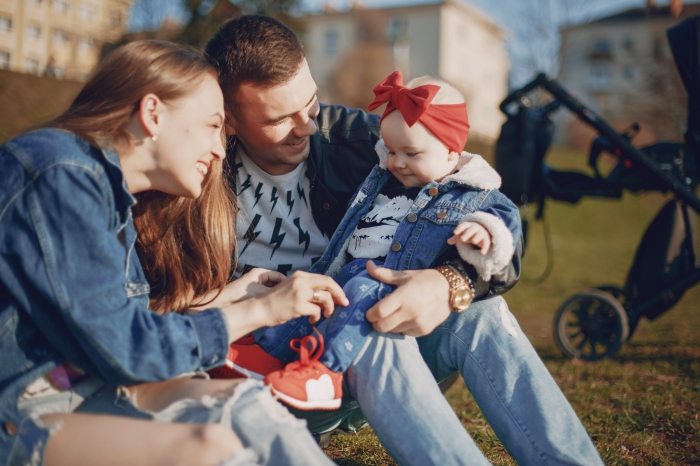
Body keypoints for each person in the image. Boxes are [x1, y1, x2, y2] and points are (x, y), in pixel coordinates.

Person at [205, 15, 604, 465]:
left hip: (390, 360)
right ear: (229, 121)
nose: (308, 127)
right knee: (368, 318)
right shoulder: (197, 173)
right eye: (280, 119)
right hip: (279, 364)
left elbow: (487, 211)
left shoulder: (368, 143)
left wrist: (450, 281)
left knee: (481, 313)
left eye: (312, 103)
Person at [0, 40, 346, 466]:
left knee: (247, 404)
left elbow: (121, 318)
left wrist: (235, 294)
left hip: (95, 388)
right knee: (210, 448)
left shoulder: (113, 197)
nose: (221, 150)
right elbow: (127, 347)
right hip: (27, 410)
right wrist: (263, 312)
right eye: (212, 125)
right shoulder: (59, 174)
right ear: (152, 114)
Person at [221, 72, 521, 412]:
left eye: (309, 104)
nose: (396, 162)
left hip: (389, 292)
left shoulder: (467, 191)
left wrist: (472, 251)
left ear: (452, 151)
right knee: (317, 296)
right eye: (391, 151)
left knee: (368, 295)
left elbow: (505, 232)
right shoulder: (382, 170)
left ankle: (324, 372)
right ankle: (265, 353)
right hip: (345, 276)